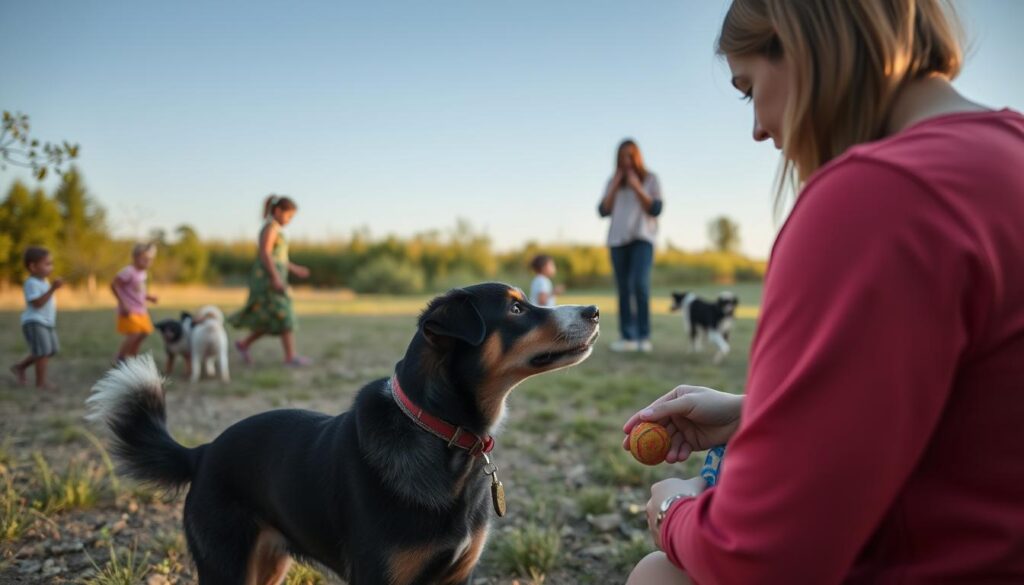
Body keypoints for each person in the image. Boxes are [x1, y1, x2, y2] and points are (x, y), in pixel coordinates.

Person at [625, 1, 1024, 583]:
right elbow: (963, 418)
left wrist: (672, 508)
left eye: (748, 87)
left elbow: (760, 559)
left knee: (658, 576)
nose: (758, 127)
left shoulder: (876, 197)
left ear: (802, 41)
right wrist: (753, 413)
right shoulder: (1008, 153)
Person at [230, 195, 311, 366]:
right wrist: (275, 278)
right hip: (268, 281)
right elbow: (265, 254)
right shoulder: (271, 228)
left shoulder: (276, 229)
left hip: (274, 278)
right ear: (277, 211)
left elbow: (279, 258)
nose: (289, 220)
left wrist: (296, 269)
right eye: (288, 216)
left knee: (270, 318)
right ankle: (290, 357)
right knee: (285, 315)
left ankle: (244, 344)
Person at [598, 139, 663, 353]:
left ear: (636, 157)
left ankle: (643, 336)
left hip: (642, 239)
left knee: (639, 285)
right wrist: (616, 184)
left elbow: (655, 208)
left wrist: (636, 187)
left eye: (630, 155)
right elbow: (603, 210)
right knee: (624, 289)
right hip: (617, 240)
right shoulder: (612, 181)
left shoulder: (650, 179)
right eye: (622, 156)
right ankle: (627, 337)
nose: (626, 160)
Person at [10, 247, 63, 388]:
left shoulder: (44, 282)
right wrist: (52, 289)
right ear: (33, 266)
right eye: (47, 264)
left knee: (51, 349)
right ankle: (41, 383)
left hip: (47, 322)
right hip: (34, 322)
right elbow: (37, 303)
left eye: (51, 263)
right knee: (43, 351)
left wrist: (51, 287)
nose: (51, 267)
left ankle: (20, 367)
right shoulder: (31, 283)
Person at [111, 242, 158, 363]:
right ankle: (120, 357)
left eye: (150, 259)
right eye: (144, 259)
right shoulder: (128, 271)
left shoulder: (143, 273)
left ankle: (132, 356)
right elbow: (113, 285)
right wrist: (123, 303)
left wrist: (148, 297)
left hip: (141, 309)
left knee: (145, 332)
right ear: (135, 257)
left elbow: (137, 291)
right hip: (129, 309)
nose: (148, 262)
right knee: (134, 333)